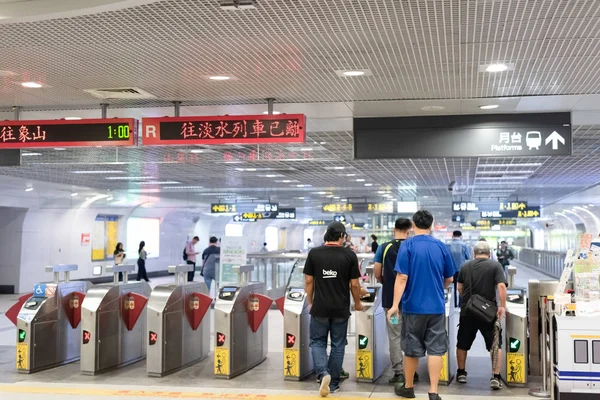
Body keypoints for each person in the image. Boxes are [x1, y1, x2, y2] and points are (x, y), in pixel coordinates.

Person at [387, 210, 457, 400]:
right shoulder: (441, 246)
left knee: (411, 349)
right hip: (436, 307)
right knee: (436, 349)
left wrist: (394, 305)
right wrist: (437, 289)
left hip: (412, 306)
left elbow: (402, 277)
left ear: (413, 225)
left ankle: (408, 387)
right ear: (431, 225)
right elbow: (449, 278)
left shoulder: (407, 246)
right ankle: (433, 391)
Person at [304, 222, 364, 397]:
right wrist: (358, 303)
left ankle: (323, 374)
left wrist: (310, 301)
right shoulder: (349, 255)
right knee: (338, 344)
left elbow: (309, 281)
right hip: (340, 308)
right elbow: (354, 284)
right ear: (341, 236)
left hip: (320, 307)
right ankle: (334, 383)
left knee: (317, 342)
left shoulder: (314, 253)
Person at [456, 241, 507, 390]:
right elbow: (501, 286)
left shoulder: (465, 266)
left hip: (468, 311)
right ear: (489, 253)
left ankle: (461, 373)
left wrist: (470, 301)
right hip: (488, 312)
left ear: (474, 253)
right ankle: (495, 376)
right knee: (494, 343)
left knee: (462, 342)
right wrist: (502, 306)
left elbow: (460, 288)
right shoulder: (495, 266)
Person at [373, 218, 418, 385]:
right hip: (412, 301)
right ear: (409, 230)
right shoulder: (413, 247)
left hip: (390, 302)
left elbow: (377, 271)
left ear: (394, 229)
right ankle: (411, 370)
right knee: (411, 335)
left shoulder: (384, 248)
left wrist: (385, 281)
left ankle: (399, 372)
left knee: (394, 336)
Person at [447, 231, 471, 307]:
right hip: (461, 269)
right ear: (460, 236)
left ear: (452, 235)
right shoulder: (464, 245)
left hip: (451, 269)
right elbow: (468, 256)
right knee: (461, 287)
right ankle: (460, 303)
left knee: (452, 287)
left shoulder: (448, 245)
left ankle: (453, 304)